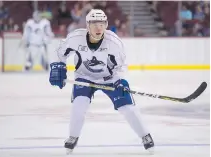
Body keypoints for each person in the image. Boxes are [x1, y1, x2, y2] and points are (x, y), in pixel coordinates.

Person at [49, 9, 154, 153]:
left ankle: (145, 136)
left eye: (102, 23)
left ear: (106, 24)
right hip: (84, 77)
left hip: (110, 79)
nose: (99, 27)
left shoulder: (114, 43)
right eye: (94, 24)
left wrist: (120, 82)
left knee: (127, 107)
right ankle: (73, 137)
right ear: (87, 25)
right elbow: (59, 53)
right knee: (79, 106)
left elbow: (121, 66)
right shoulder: (75, 38)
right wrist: (58, 67)